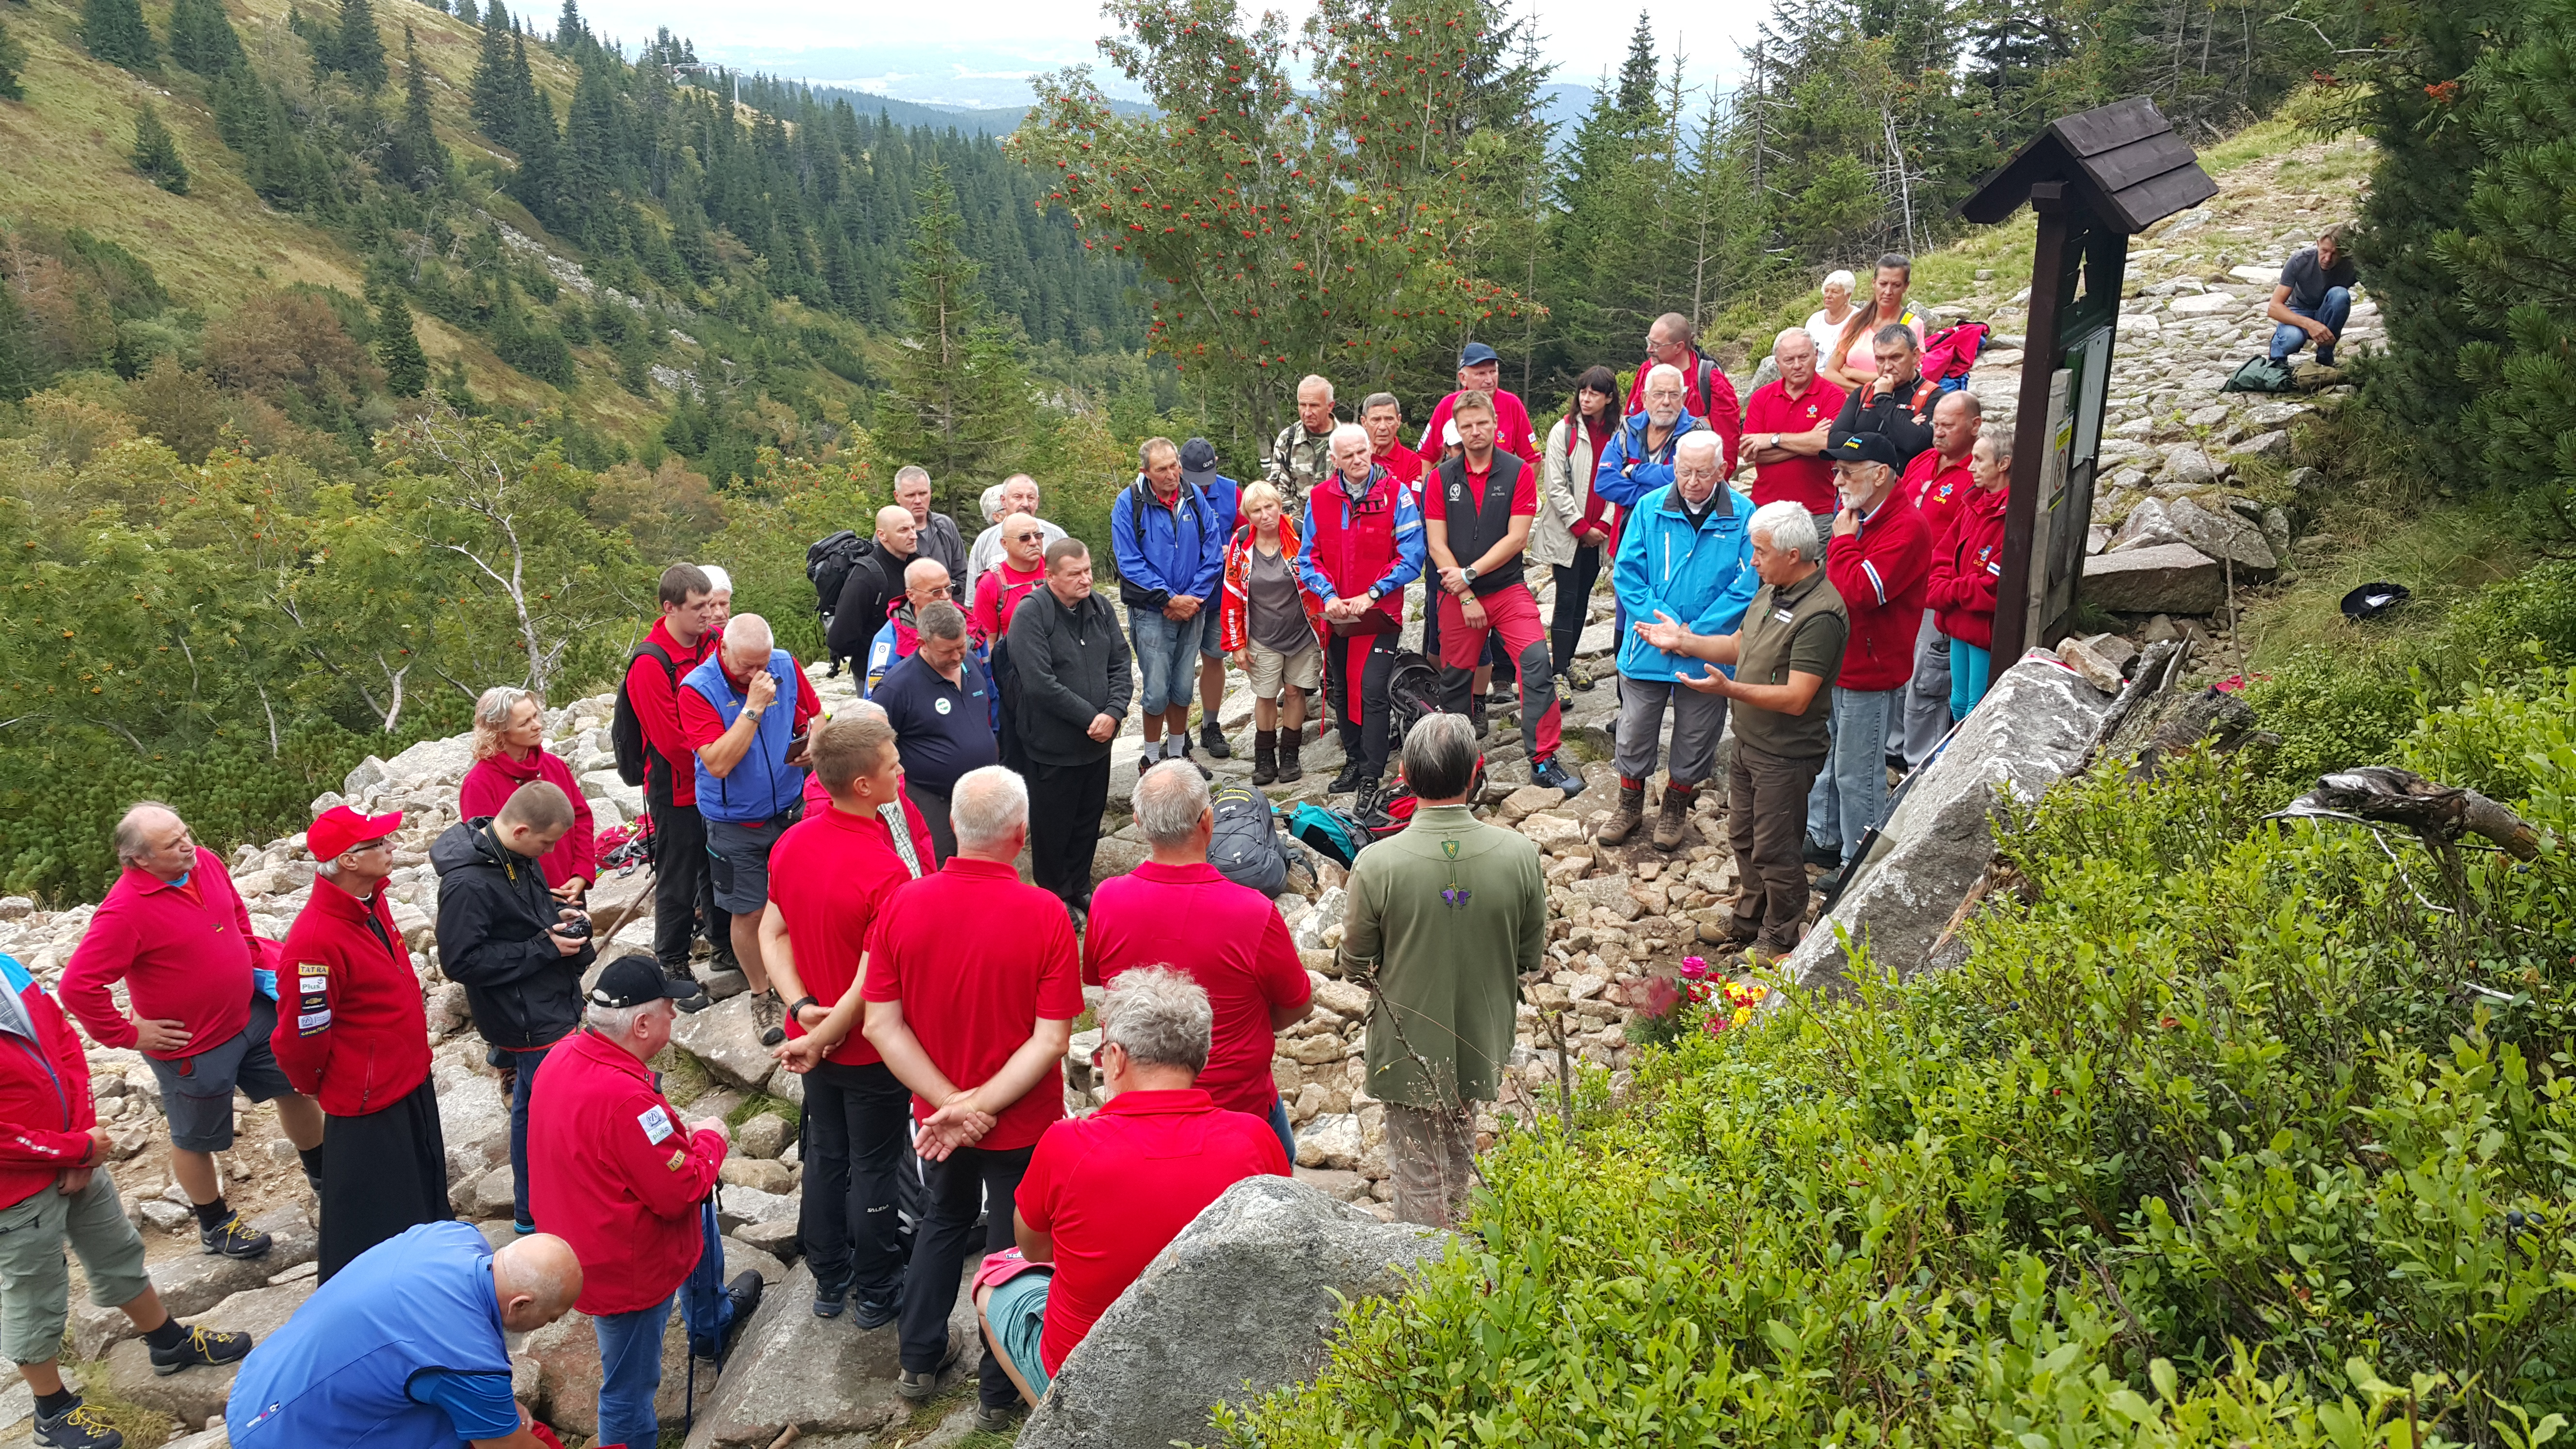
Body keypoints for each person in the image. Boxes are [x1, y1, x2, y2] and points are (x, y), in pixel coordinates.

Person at [823, 767, 1082, 1416]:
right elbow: (1051, 1041)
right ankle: (1001, 1393)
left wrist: (950, 1106)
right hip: (1022, 1120)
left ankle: (917, 1361)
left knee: (943, 1220)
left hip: (937, 1119)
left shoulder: (904, 905)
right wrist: (980, 1106)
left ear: (953, 831)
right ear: (1020, 836)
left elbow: (882, 1025)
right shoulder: (1046, 913)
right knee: (1012, 1240)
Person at [978, 969, 1290, 1417]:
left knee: (993, 1285)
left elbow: (1033, 1249)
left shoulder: (1067, 1145)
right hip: (1218, 1364)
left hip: (1093, 1370)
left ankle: (1061, 1425)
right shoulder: (1255, 1140)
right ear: (1198, 1058)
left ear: (1118, 1058)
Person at [3, 947, 252, 1449]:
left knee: (117, 1251)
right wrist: (72, 1148)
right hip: (17, 1190)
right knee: (34, 1294)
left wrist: (80, 1147)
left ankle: (167, 1342)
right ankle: (51, 1411)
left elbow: (65, 1045)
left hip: (76, 1156)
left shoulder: (9, 969)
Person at [61, 803, 323, 1261]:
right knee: (196, 1138)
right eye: (172, 843)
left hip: (248, 1015)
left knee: (296, 1089)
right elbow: (79, 986)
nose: (187, 845)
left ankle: (327, 1180)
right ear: (139, 858)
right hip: (191, 1043)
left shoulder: (204, 862)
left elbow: (237, 914)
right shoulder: (123, 912)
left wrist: (252, 958)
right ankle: (215, 1224)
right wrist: (126, 1034)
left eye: (185, 833)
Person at [528, 956, 762, 1449]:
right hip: (623, 1265)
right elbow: (681, 1193)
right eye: (669, 1010)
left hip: (577, 1230)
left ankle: (709, 1320)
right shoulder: (626, 1100)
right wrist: (712, 1141)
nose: (675, 1018)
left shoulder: (563, 1054)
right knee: (628, 1388)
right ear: (641, 1024)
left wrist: (676, 1137)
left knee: (702, 1226)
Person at [1339, 713, 1544, 1229]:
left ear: (1403, 774)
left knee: (1416, 1170)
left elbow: (1355, 964)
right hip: (1481, 1029)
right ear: (1476, 772)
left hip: (1406, 1035)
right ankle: (1454, 1254)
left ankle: (1429, 1282)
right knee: (1458, 1151)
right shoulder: (1519, 854)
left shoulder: (1377, 863)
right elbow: (1528, 955)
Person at [758, 713, 925, 1330]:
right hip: (867, 1047)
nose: (901, 769)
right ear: (863, 785)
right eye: (892, 764)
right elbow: (870, 976)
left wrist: (802, 1012)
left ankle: (829, 1278)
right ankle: (878, 1289)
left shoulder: (792, 843)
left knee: (826, 1156)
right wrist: (825, 1031)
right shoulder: (886, 871)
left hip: (814, 1044)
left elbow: (772, 932)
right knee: (876, 1165)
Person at [1632, 504, 1849, 963]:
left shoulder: (1821, 614)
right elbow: (1738, 645)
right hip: (1751, 743)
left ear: (1793, 555)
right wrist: (1684, 642)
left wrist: (1730, 689)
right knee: (1744, 837)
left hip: (1786, 754)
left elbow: (1797, 698)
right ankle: (1750, 916)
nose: (1752, 560)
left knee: (1776, 846)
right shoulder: (1773, 590)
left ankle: (1780, 934)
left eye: (1760, 551)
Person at [1081, 763, 1312, 1159]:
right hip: (1238, 1110)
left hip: (1138, 1104)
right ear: (1208, 821)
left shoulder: (1107, 900)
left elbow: (1102, 983)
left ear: (1138, 823)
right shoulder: (1253, 911)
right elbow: (1298, 1003)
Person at [272, 805, 448, 1280]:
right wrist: (318, 1084)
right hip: (369, 1100)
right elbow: (301, 1039)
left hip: (409, 1077)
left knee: (423, 1193)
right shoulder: (314, 945)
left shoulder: (372, 900)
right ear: (348, 860)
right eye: (379, 844)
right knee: (377, 1220)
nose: (391, 848)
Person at [226, 1225, 581, 1449]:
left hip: (262, 1379)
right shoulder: (467, 1360)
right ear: (521, 1304)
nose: (548, 1326)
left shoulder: (451, 1236)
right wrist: (498, 1419)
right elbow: (507, 1447)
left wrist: (494, 1411)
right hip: (279, 1435)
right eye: (551, 1318)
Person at [431, 781, 596, 1238]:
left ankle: (534, 1210)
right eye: (546, 843)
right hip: (523, 1019)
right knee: (547, 1115)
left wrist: (554, 917)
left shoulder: (517, 857)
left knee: (535, 1107)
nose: (549, 852)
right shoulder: (466, 883)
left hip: (548, 1000)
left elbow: (522, 918)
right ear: (522, 829)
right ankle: (541, 1214)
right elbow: (461, 961)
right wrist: (545, 946)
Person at [1598, 432, 1759, 850]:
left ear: (1723, 471)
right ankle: (1629, 803)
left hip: (1707, 649)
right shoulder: (1650, 509)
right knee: (1634, 729)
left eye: (1703, 473)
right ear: (1673, 468)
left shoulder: (1744, 515)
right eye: (1684, 471)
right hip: (1649, 641)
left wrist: (1693, 635)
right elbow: (1628, 574)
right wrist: (1666, 626)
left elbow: (1748, 585)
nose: (1692, 481)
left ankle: (1675, 804)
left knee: (1698, 732)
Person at [1426, 391, 1584, 798]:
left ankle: (1544, 759)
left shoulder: (1517, 472)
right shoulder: (1441, 478)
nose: (1475, 432)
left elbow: (1516, 539)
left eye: (1482, 423)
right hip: (1457, 594)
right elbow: (1436, 543)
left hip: (1506, 588)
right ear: (1457, 432)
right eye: (1467, 426)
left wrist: (1471, 574)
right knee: (1455, 682)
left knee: (1535, 665)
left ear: (1496, 424)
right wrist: (1463, 592)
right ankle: (1459, 768)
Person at [678, 613, 821, 1024]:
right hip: (734, 821)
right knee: (750, 911)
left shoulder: (784, 663)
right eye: (746, 666)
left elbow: (814, 714)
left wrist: (813, 741)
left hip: (790, 807)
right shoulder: (698, 689)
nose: (756, 674)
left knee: (801, 899)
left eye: (763, 664)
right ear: (722, 648)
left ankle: (802, 975)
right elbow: (719, 763)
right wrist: (754, 707)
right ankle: (761, 993)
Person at [1805, 432, 1932, 882]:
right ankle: (1823, 836)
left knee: (1859, 771)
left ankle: (1859, 865)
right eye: (1836, 471)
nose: (1837, 480)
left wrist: (1841, 542)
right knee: (1831, 757)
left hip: (1872, 670)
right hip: (1844, 661)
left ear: (1881, 475)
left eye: (1847, 472)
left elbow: (1860, 591)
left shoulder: (1905, 527)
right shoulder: (1861, 515)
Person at [1297, 424, 1423, 803]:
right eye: (1348, 455)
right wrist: (1328, 594)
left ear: (1371, 451)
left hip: (1379, 614)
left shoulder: (1398, 495)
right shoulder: (1318, 499)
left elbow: (1412, 556)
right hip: (1338, 616)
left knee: (1371, 690)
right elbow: (1308, 558)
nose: (1357, 461)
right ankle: (1352, 760)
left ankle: (1371, 772)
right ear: (1333, 460)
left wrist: (1374, 593)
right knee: (1342, 689)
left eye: (1362, 452)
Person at [1009, 539, 1134, 918]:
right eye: (1075, 574)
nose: (1085, 580)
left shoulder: (1098, 606)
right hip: (1053, 745)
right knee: (1052, 827)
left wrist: (1113, 712)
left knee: (1087, 820)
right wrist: (1090, 718)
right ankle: (1053, 898)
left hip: (1099, 742)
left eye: (1088, 571)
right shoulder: (1031, 614)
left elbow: (1120, 661)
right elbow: (1039, 683)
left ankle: (1080, 886)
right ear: (1050, 577)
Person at [626, 563, 721, 992]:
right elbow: (669, 739)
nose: (709, 615)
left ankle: (723, 944)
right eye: (699, 607)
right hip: (677, 789)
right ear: (670, 608)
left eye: (712, 604)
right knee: (678, 874)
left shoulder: (713, 644)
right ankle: (672, 962)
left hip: (716, 779)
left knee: (718, 868)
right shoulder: (650, 663)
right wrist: (720, 766)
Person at [1112, 436, 1225, 773]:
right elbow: (1129, 560)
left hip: (1193, 608)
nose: (1172, 474)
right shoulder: (1129, 502)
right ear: (1145, 471)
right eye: (1162, 469)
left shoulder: (1192, 497)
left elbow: (1213, 550)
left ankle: (1177, 755)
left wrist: (1192, 597)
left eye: (1175, 465)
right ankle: (1150, 757)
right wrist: (1168, 598)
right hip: (1152, 612)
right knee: (1157, 689)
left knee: (1183, 687)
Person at [1895, 392, 1982, 768]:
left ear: (1975, 426)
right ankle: (1892, 747)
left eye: (1949, 425)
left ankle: (1921, 758)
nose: (1938, 432)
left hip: (1937, 590)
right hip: (1900, 585)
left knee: (1928, 676)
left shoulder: (1979, 473)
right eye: (1936, 424)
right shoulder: (1922, 461)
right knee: (1899, 668)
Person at [874, 602, 1000, 862]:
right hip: (933, 799)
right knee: (942, 865)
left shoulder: (971, 664)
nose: (956, 657)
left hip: (981, 795)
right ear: (922, 643)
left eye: (961, 646)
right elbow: (875, 742)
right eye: (947, 651)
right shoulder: (897, 687)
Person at [1219, 481, 1325, 786]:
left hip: (1303, 633)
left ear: (1280, 506)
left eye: (1270, 507)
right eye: (1257, 510)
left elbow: (1321, 573)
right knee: (1265, 695)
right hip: (1262, 636)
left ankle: (1290, 755)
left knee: (1294, 692)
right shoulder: (1241, 545)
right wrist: (1236, 644)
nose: (1265, 515)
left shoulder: (1300, 533)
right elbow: (1232, 594)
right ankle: (1264, 757)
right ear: (1247, 516)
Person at [458, 687, 596, 903]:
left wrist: (581, 872)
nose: (538, 725)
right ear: (499, 732)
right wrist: (538, 896)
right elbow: (487, 858)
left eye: (535, 716)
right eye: (524, 723)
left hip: (570, 891)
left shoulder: (555, 766)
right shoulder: (479, 784)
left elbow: (581, 819)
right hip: (522, 905)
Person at [1536, 366, 1622, 693]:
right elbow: (1555, 486)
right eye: (1583, 392)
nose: (1586, 399)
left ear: (1609, 398)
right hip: (1569, 534)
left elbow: (1624, 479)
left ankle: (1567, 662)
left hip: (1598, 535)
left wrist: (1604, 524)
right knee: (1567, 599)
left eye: (1594, 393)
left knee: (1583, 598)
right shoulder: (1564, 431)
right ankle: (1558, 672)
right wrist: (1582, 526)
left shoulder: (1620, 434)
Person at [1928, 423, 2014, 723]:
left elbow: (1994, 584)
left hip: (1980, 628)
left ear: (2003, 464)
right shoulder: (1973, 504)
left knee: (1975, 705)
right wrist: (1940, 585)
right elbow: (1943, 552)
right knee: (1958, 699)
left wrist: (1945, 592)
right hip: (1958, 620)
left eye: (1980, 460)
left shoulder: (2012, 516)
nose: (1971, 468)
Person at [1741, 327, 1847, 531]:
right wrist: (1808, 440)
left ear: (1816, 356)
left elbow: (1825, 445)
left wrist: (1773, 440)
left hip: (1815, 511)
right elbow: (1750, 453)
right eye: (1789, 360)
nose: (1797, 366)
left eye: (1804, 357)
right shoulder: (1762, 398)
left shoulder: (1834, 396)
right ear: (1778, 363)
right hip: (1765, 507)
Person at [1179, 438, 1244, 759]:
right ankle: (1177, 733)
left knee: (1214, 658)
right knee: (1178, 664)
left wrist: (1230, 549)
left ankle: (1211, 725)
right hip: (1180, 595)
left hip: (1219, 594)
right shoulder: (1169, 492)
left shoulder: (1232, 492)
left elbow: (1249, 535)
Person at [1625, 312, 1741, 474]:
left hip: (1687, 485)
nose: (1649, 349)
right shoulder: (1647, 371)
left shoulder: (1711, 380)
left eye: (1656, 345)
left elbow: (1727, 446)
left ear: (1678, 347)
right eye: (1649, 341)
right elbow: (1628, 427)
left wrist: (1708, 488)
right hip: (1638, 481)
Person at [1591, 362, 1704, 515]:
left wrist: (1634, 471)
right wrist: (1655, 498)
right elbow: (1604, 483)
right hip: (1630, 532)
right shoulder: (1628, 431)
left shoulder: (1697, 434)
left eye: (1674, 395)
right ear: (1645, 398)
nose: (1666, 401)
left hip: (1677, 531)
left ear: (1683, 398)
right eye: (1658, 394)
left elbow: (1690, 484)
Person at [1827, 323, 1939, 468]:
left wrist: (1883, 399)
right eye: (1880, 359)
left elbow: (1915, 444)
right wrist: (1892, 438)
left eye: (1896, 357)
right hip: (1856, 482)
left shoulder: (1933, 396)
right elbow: (1834, 440)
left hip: (1901, 485)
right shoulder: (1863, 393)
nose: (1887, 367)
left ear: (1915, 355)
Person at [1416, 342, 1540, 467]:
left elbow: (1533, 460)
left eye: (1493, 371)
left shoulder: (1512, 405)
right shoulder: (1447, 406)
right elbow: (1424, 458)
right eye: (1481, 374)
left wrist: (1516, 487)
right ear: (1463, 378)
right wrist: (1428, 487)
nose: (1489, 380)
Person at [827, 505, 922, 669]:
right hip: (874, 673)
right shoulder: (866, 577)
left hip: (915, 668)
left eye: (913, 528)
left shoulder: (917, 565)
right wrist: (873, 648)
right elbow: (840, 639)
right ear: (882, 535)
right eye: (903, 530)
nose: (913, 536)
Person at [1819, 253, 1926, 392]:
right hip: (1850, 405)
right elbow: (1830, 373)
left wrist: (1852, 373)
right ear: (1874, 283)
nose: (1888, 291)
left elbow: (1900, 378)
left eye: (1896, 285)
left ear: (1906, 287)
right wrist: (1867, 391)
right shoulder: (1857, 321)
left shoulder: (1912, 325)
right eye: (1883, 284)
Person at [863, 557, 955, 699]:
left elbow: (987, 687)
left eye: (949, 589)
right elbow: (876, 699)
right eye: (936, 592)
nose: (946, 597)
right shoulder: (888, 640)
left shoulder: (972, 627)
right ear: (911, 596)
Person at [2268, 225, 2355, 368]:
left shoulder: (2353, 265)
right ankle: (2277, 356)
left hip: (2327, 309)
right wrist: (2310, 325)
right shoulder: (2300, 260)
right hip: (2298, 309)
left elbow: (2381, 295)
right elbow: (2274, 308)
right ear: (2317, 244)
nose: (2327, 259)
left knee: (2340, 295)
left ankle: (2325, 357)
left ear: (2346, 253)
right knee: (2292, 338)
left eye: (2335, 254)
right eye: (2324, 251)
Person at [966, 476, 1068, 595]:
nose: (1025, 504)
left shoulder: (1056, 536)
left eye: (1031, 498)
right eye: (1018, 497)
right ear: (1004, 501)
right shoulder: (986, 541)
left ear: (1037, 502)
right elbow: (973, 598)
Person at [969, 511, 1050, 647]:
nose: (1034, 542)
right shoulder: (990, 584)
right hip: (1014, 663)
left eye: (1038, 535)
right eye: (1024, 538)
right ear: (1005, 543)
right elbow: (988, 644)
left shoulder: (1057, 567)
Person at [897, 465, 970, 600]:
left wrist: (955, 609)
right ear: (897, 496)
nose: (918, 501)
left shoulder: (946, 525)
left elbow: (961, 573)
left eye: (923, 494)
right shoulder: (890, 534)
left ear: (930, 492)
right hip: (912, 615)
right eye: (911, 495)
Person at [1266, 374, 1339, 503]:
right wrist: (1299, 522)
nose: (1307, 412)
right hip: (1295, 519)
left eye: (1314, 406)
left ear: (1330, 406)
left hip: (1339, 518)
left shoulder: (1347, 440)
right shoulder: (1288, 439)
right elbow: (1277, 489)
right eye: (1302, 405)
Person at [1360, 392, 1427, 494]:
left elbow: (1410, 504)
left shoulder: (1411, 461)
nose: (1383, 427)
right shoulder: (1355, 458)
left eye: (1389, 419)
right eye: (1376, 420)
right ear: (1364, 422)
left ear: (1399, 421)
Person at [1803, 270, 1859, 359]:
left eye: (1834, 292)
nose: (1828, 296)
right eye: (1826, 291)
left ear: (1848, 296)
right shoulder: (1815, 320)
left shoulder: (1858, 319)